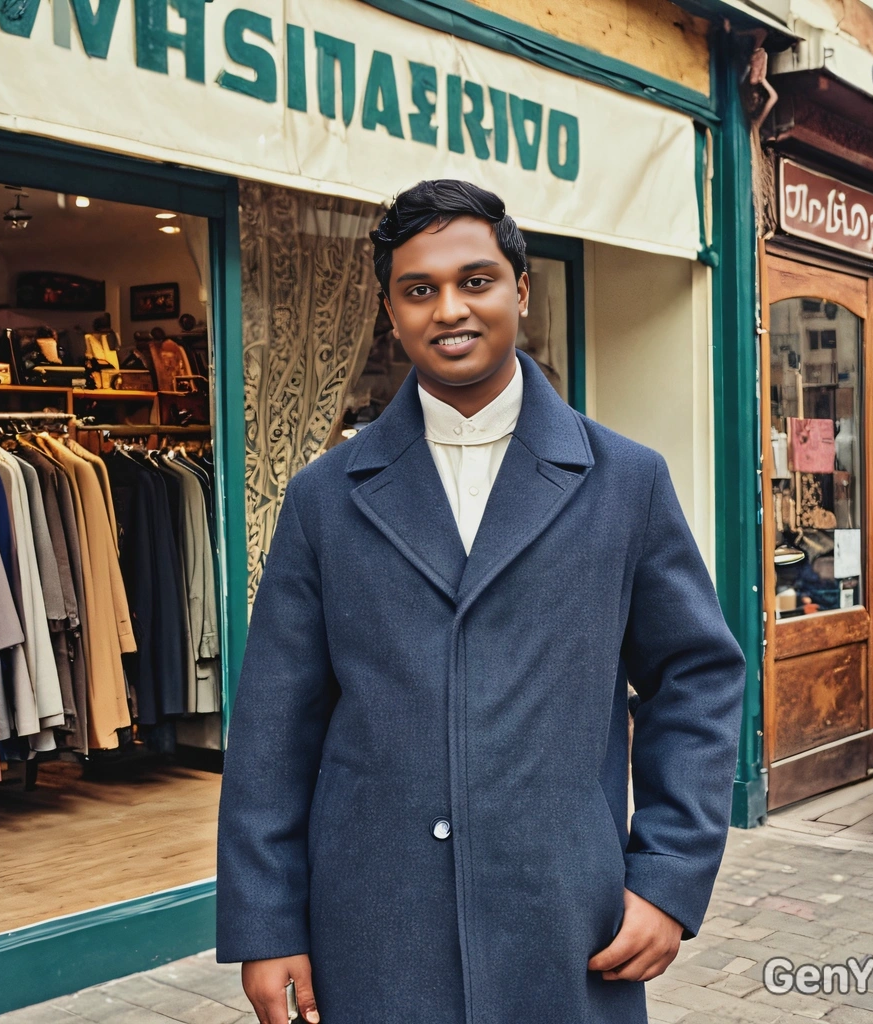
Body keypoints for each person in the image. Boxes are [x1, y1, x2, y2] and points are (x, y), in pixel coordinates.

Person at [216, 179, 747, 1024]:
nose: (449, 309)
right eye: (418, 289)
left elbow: (698, 677)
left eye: (475, 280)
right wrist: (266, 922)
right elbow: (274, 726)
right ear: (389, 312)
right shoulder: (325, 497)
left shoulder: (626, 481)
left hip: (567, 919)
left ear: (521, 290)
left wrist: (669, 878)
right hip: (375, 928)